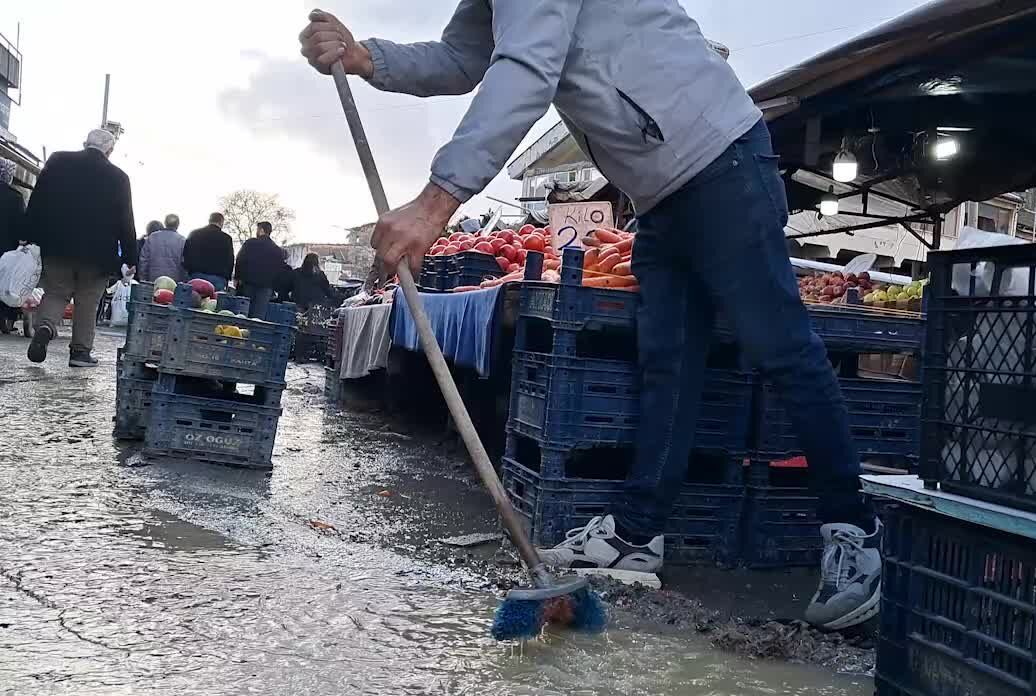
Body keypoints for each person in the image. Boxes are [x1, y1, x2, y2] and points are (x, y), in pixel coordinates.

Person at [300, 5, 882, 630]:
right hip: (658, 195)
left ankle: (855, 530)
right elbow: (464, 57)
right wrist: (369, 59)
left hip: (721, 161)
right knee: (668, 363)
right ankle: (637, 533)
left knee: (779, 346)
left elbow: (526, 70)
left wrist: (436, 203)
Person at [24, 129, 135, 368]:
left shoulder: (58, 160)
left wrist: (28, 235)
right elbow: (125, 220)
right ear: (110, 150)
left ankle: (45, 327)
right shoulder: (119, 177)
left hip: (57, 245)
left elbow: (37, 199)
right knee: (87, 301)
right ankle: (80, 353)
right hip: (98, 254)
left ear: (85, 143)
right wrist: (130, 256)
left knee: (56, 292)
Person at [234, 221, 287, 319]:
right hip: (266, 287)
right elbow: (280, 271)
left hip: (248, 283)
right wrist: (274, 287)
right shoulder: (277, 250)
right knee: (258, 317)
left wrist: (237, 277)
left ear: (261, 230)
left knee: (242, 313)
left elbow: (240, 260)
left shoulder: (250, 243)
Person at [0, 159, 26, 334]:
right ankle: (4, 320)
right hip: (6, 248)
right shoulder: (15, 197)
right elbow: (21, 227)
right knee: (4, 283)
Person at [183, 212, 236, 291]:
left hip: (196, 275)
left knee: (194, 298)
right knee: (214, 298)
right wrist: (227, 277)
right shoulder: (227, 238)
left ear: (209, 220)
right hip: (218, 277)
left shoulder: (194, 234)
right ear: (221, 222)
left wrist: (188, 270)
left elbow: (186, 254)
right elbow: (230, 260)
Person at [138, 214, 186, 283]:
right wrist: (183, 281)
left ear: (165, 223)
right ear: (178, 225)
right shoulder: (182, 240)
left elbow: (144, 260)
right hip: (173, 281)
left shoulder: (152, 237)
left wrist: (143, 278)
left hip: (153, 279)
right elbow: (184, 264)